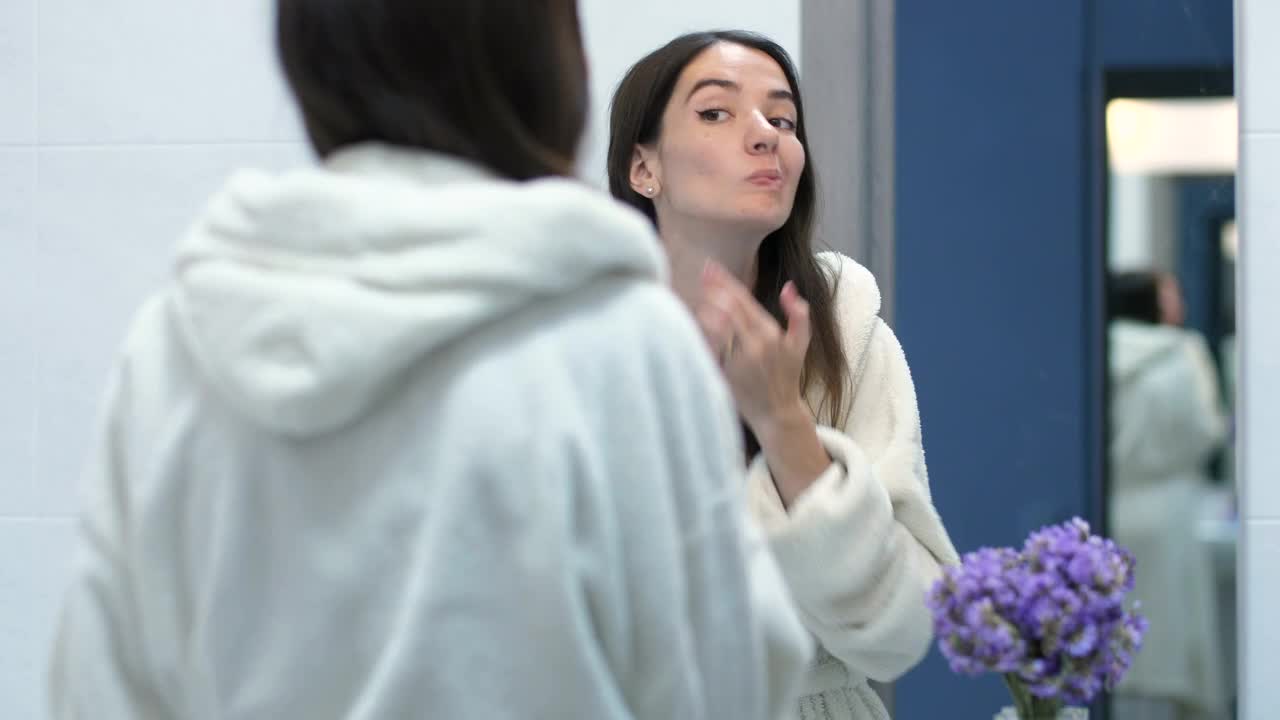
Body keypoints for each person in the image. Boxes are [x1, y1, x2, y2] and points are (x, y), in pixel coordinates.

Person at [47, 3, 813, 718]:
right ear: (552, 67)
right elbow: (729, 681)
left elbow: (98, 685)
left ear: (309, 60)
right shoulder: (621, 340)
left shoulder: (180, 342)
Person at [607, 30, 959, 720]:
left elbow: (903, 631)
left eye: (784, 119)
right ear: (643, 168)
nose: (766, 135)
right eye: (717, 112)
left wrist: (785, 424)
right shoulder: (579, 347)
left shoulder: (849, 339)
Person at [1107, 271, 1230, 720]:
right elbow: (1207, 430)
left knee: (1109, 650)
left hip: (1111, 506)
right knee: (1172, 644)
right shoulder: (1184, 354)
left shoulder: (1091, 349)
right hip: (1173, 510)